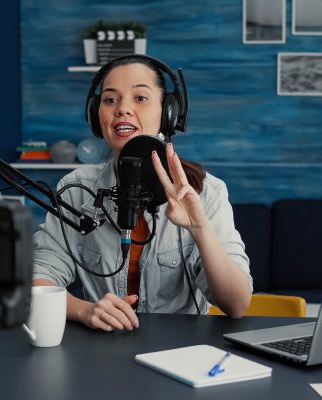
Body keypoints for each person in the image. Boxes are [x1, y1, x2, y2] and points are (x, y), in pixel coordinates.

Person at [33, 55, 252, 332]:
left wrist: (200, 228)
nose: (122, 109)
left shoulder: (207, 192)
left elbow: (236, 304)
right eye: (110, 100)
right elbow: (39, 279)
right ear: (95, 114)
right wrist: (86, 311)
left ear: (168, 112)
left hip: (181, 353)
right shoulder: (76, 189)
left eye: (140, 98)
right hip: (104, 353)